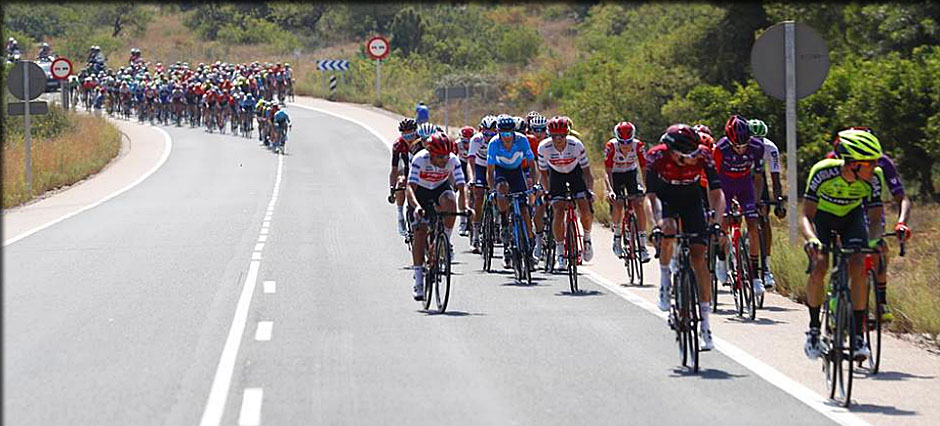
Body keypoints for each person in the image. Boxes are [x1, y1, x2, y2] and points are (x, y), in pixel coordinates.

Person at [801, 128, 889, 361]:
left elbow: (876, 217)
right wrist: (812, 239)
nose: (875, 167)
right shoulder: (822, 172)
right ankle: (812, 329)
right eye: (869, 163)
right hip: (823, 219)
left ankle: (858, 334)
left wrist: (873, 240)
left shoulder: (874, 178)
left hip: (852, 219)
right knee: (820, 265)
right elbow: (806, 216)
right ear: (852, 165)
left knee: (859, 264)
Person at [646, 124, 725, 350]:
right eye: (687, 156)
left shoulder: (704, 155)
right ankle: (664, 282)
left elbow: (717, 193)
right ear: (673, 152)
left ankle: (706, 324)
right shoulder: (656, 156)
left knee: (699, 257)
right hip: (665, 200)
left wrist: (717, 223)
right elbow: (650, 197)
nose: (693, 159)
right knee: (669, 230)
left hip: (691, 201)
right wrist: (658, 223)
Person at [826, 126, 913, 322]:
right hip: (842, 209)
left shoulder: (883, 163)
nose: (872, 163)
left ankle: (881, 301)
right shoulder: (835, 160)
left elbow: (902, 198)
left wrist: (901, 223)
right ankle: (836, 294)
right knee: (844, 250)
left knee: (879, 249)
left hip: (871, 212)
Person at [407, 132, 466, 300]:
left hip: (440, 188)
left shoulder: (452, 160)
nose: (443, 160)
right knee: (420, 231)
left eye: (446, 156)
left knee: (450, 201)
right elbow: (410, 188)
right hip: (421, 192)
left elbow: (462, 187)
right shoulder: (420, 159)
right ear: (430, 153)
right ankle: (418, 278)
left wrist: (467, 206)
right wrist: (417, 207)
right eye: (439, 157)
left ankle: (443, 240)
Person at [713, 115, 766, 297]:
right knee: (725, 223)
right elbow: (713, 180)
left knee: (753, 224)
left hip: (745, 185)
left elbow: (758, 178)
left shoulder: (757, 147)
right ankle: (721, 258)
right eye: (737, 146)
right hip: (724, 185)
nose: (742, 149)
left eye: (744, 145)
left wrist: (757, 202)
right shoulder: (720, 149)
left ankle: (755, 275)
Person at [538, 116, 596, 269]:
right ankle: (560, 254)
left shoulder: (576, 145)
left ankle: (587, 238)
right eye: (554, 136)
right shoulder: (544, 147)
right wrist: (546, 192)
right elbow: (543, 174)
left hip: (575, 173)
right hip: (556, 175)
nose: (558, 139)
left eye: (562, 136)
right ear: (549, 135)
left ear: (567, 134)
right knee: (558, 209)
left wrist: (589, 191)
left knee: (584, 207)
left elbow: (587, 173)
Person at [487, 114, 538, 269]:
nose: (507, 137)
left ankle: (529, 247)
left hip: (516, 172)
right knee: (501, 189)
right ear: (498, 133)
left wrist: (533, 185)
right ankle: (504, 222)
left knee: (524, 210)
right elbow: (490, 171)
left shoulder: (522, 140)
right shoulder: (494, 143)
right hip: (501, 171)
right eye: (504, 134)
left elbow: (531, 164)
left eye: (510, 133)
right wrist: (492, 190)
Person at [604, 121, 651, 263]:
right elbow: (607, 172)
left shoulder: (638, 146)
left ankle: (642, 246)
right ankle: (617, 237)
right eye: (622, 142)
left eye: (628, 142)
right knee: (618, 203)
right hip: (616, 176)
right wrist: (610, 190)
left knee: (638, 203)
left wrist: (647, 187)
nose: (625, 146)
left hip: (631, 174)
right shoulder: (611, 146)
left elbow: (643, 168)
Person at [748, 118, 785, 289]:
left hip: (758, 179)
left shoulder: (771, 148)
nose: (757, 143)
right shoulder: (741, 146)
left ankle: (766, 266)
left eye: (760, 140)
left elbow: (775, 179)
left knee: (764, 219)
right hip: (740, 177)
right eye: (753, 139)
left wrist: (778, 201)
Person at [468, 115, 498, 252]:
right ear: (481, 130)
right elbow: (471, 162)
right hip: (480, 167)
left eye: (492, 133)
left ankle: (498, 222)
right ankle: (475, 232)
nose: (488, 136)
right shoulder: (476, 140)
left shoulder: (499, 141)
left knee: (501, 193)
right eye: (486, 133)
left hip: (495, 167)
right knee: (479, 195)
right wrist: (472, 178)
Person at [391, 118, 419, 236]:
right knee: (401, 182)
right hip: (408, 169)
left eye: (411, 135)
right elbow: (394, 170)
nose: (408, 139)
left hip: (420, 169)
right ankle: (400, 215)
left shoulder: (421, 141)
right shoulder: (398, 145)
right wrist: (392, 188)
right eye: (405, 135)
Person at [528, 115, 550, 259]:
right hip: (538, 171)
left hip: (552, 171)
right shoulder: (529, 141)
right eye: (535, 130)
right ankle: (538, 241)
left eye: (541, 130)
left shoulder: (550, 141)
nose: (538, 133)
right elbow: (533, 166)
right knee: (539, 202)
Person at [456, 126, 475, 236]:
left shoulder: (478, 143)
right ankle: (463, 222)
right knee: (462, 190)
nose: (467, 144)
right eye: (465, 141)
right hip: (461, 165)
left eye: (469, 141)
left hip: (473, 164)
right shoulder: (457, 144)